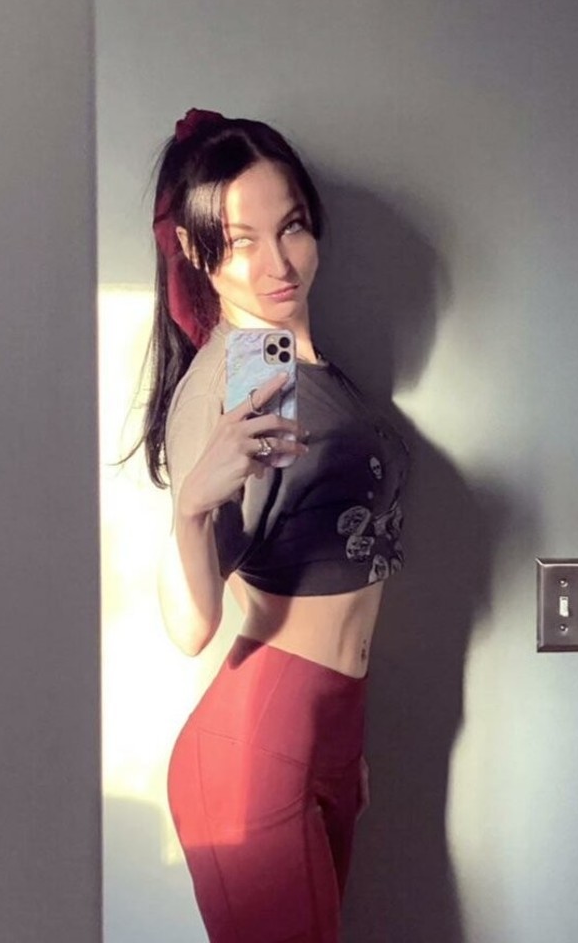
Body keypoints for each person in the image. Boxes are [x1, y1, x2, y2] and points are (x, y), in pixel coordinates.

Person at [130, 108, 409, 943]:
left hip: (325, 739)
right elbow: (192, 628)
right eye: (242, 240)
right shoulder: (237, 381)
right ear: (196, 252)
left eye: (290, 227)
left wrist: (339, 747)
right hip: (255, 754)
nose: (278, 263)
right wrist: (190, 509)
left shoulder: (307, 369)